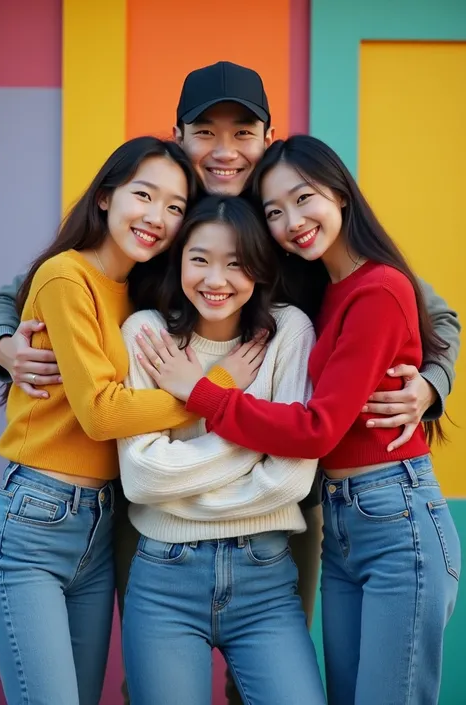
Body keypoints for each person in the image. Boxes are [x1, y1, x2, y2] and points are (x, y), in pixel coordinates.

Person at [0, 62, 461, 703]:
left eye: (242, 131)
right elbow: (34, 285)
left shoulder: (301, 222)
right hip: (149, 517)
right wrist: (3, 343)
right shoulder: (160, 215)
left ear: (268, 136)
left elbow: (425, 312)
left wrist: (431, 382)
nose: (223, 149)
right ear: (179, 135)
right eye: (205, 131)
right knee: (152, 676)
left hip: (283, 520)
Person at [138, 135, 461, 705]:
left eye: (304, 199)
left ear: (339, 193)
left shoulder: (378, 288)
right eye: (274, 212)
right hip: (342, 521)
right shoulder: (326, 287)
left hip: (394, 516)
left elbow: (317, 429)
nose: (293, 221)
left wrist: (205, 395)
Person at [0, 136, 203, 705]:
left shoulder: (140, 295)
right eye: (144, 195)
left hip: (103, 520)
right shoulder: (66, 277)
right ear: (106, 196)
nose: (157, 218)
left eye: (176, 207)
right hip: (38, 518)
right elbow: (102, 413)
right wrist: (214, 394)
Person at [118, 194, 325, 705]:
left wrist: (202, 399)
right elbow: (142, 477)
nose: (216, 280)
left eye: (236, 263)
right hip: (164, 577)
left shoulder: (287, 331)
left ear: (259, 265)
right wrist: (259, 443)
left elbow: (295, 478)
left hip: (266, 578)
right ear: (178, 260)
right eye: (200, 259)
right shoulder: (147, 334)